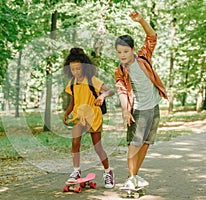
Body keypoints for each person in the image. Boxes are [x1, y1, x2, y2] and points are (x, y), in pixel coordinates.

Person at [114, 11, 168, 189]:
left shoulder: (143, 57)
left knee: (146, 143)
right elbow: (121, 90)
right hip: (138, 111)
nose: (122, 55)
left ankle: (134, 177)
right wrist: (125, 110)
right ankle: (131, 177)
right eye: (119, 52)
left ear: (133, 50)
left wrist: (141, 21)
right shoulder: (120, 71)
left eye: (125, 51)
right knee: (134, 143)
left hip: (153, 107)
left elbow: (152, 37)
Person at [63, 47, 115, 189]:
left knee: (98, 147)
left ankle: (108, 172)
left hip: (93, 116)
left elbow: (110, 90)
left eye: (78, 69)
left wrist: (102, 96)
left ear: (84, 68)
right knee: (75, 143)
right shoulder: (72, 83)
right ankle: (76, 171)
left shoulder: (92, 80)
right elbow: (74, 100)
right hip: (79, 116)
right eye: (73, 69)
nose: (76, 72)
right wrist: (67, 113)